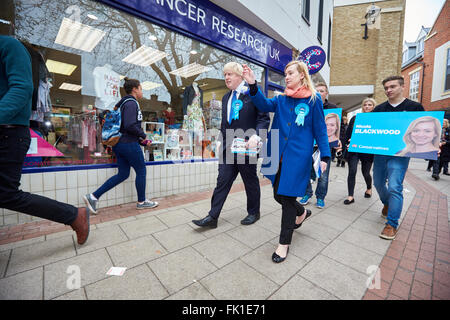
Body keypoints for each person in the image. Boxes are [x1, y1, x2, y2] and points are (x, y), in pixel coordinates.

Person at [0, 35, 90, 245]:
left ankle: (74, 215)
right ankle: (75, 215)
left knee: (6, 194)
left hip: (8, 132)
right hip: (8, 131)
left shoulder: (8, 45)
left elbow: (22, 88)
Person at [242, 61, 330, 263]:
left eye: (290, 73)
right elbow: (263, 104)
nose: (287, 76)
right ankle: (302, 213)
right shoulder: (281, 99)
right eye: (285, 73)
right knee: (277, 195)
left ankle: (284, 243)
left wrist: (325, 155)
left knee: (287, 199)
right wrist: (253, 85)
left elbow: (320, 129)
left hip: (298, 157)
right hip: (275, 152)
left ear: (301, 75)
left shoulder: (313, 100)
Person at [192, 62, 270, 228]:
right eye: (225, 74)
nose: (226, 77)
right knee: (222, 180)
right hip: (228, 146)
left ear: (240, 76)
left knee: (250, 180)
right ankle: (212, 217)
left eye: (230, 74)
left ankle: (254, 212)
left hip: (246, 145)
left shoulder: (253, 93)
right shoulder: (226, 97)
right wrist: (220, 141)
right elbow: (225, 124)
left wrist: (257, 136)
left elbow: (263, 118)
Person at [84, 77, 158, 214]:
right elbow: (130, 125)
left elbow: (124, 126)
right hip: (129, 144)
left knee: (123, 174)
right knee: (141, 171)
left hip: (120, 143)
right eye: (141, 88)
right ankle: (141, 201)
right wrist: (143, 135)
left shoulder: (123, 103)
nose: (142, 91)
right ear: (135, 89)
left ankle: (93, 197)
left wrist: (140, 139)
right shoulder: (131, 103)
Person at [372, 75, 424, 240]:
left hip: (400, 155)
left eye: (392, 87)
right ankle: (387, 203)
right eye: (386, 88)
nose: (388, 90)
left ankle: (391, 224)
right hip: (380, 152)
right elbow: (370, 129)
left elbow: (424, 127)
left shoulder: (415, 107)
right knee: (378, 183)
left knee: (395, 186)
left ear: (402, 87)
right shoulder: (379, 109)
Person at [299, 82, 336, 209]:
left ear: (326, 93)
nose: (319, 93)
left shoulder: (333, 108)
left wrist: (338, 141)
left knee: (323, 174)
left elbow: (337, 129)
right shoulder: (308, 104)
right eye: (317, 90)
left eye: (322, 91)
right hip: (309, 145)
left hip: (325, 146)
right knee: (306, 172)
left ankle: (320, 197)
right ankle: (307, 193)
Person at [343, 98, 376, 205]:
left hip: (367, 151)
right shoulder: (355, 118)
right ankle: (350, 196)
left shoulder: (377, 120)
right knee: (352, 171)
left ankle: (369, 188)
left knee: (365, 172)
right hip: (354, 149)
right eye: (365, 104)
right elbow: (348, 134)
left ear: (373, 107)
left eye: (370, 104)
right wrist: (347, 144)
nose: (367, 106)